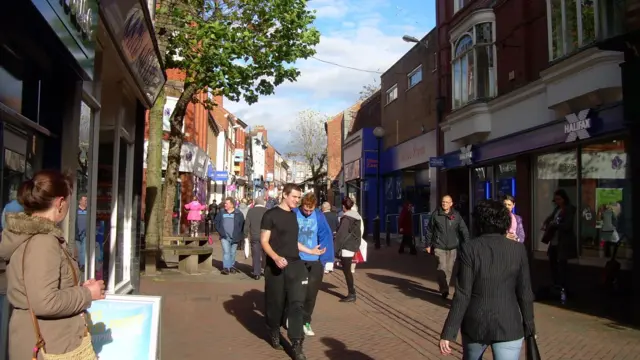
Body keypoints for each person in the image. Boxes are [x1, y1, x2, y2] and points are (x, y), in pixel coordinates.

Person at [0, 170, 105, 359]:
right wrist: (88, 293)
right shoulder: (43, 241)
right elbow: (44, 301)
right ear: (60, 203)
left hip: (38, 339)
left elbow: (38, 289)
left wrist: (76, 288)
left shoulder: (28, 236)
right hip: (49, 345)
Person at [439, 200, 535, 360]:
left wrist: (449, 332)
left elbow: (462, 294)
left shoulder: (469, 248)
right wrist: (530, 327)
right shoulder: (517, 250)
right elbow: (525, 292)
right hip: (509, 322)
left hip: (476, 323)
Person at [260, 183, 326, 360]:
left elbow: (292, 242)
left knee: (297, 304)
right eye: (294, 197)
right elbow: (264, 241)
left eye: (299, 197)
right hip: (276, 266)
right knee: (276, 304)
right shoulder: (270, 215)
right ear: (284, 195)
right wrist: (275, 257)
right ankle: (274, 331)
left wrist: (310, 251)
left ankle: (297, 344)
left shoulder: (293, 216)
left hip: (296, 265)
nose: (297, 200)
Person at [292, 193, 334, 336]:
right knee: (295, 292)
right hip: (296, 259)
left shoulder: (319, 217)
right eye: (306, 209)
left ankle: (306, 321)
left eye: (311, 210)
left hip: (314, 260)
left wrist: (325, 260)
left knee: (311, 294)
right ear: (301, 205)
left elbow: (326, 236)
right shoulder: (294, 214)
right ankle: (292, 318)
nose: (308, 212)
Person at [425, 195, 470, 298]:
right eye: (443, 202)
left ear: (451, 203)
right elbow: (429, 230)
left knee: (449, 270)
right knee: (441, 267)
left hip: (452, 247)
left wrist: (467, 243)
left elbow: (463, 230)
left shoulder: (456, 215)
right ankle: (444, 289)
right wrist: (428, 244)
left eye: (446, 202)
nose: (444, 203)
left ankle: (445, 287)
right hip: (439, 246)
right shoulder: (436, 215)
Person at [541, 189, 577, 294]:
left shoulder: (569, 209)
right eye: (555, 200)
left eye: (559, 199)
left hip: (563, 241)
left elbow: (567, 225)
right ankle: (556, 285)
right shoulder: (557, 209)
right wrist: (546, 223)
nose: (557, 201)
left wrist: (555, 225)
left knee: (562, 265)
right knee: (553, 263)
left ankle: (563, 287)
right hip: (554, 240)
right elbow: (550, 219)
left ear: (564, 199)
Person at [333, 197, 362, 302]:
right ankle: (351, 292)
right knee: (348, 270)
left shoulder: (346, 218)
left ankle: (352, 293)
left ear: (344, 206)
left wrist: (334, 250)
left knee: (347, 271)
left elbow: (341, 235)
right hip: (352, 245)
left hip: (346, 247)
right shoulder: (356, 217)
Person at [214, 197, 245, 275]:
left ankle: (231, 266)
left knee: (233, 252)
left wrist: (240, 235)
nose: (225, 205)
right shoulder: (221, 212)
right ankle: (226, 268)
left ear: (232, 204)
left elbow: (242, 225)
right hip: (224, 236)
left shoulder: (238, 213)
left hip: (235, 237)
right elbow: (216, 222)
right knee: (226, 252)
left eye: (226, 203)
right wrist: (221, 232)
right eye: (225, 203)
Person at [244, 197, 268, 279]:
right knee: (266, 254)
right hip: (266, 236)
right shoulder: (267, 211)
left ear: (255, 203)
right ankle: (264, 270)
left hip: (254, 236)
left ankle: (256, 273)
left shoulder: (251, 211)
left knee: (256, 255)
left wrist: (245, 235)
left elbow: (247, 224)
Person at [76, 194, 88, 271]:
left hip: (85, 234)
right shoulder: (76, 211)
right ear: (80, 201)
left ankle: (82, 265)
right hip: (77, 234)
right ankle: (79, 264)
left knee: (83, 250)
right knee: (78, 250)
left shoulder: (88, 211)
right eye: (85, 200)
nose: (86, 202)